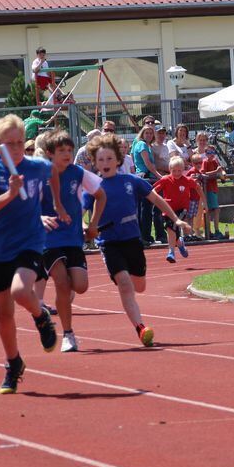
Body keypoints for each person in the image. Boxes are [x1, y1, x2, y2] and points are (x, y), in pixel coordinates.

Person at [0, 114, 62, 394]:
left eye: (19, 142)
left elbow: (52, 174)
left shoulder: (37, 167)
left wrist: (55, 206)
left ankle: (41, 317)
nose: (15, 149)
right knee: (3, 314)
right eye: (9, 144)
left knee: (20, 291)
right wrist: (10, 195)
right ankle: (13, 363)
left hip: (30, 242)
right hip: (1, 248)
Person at [87, 133, 191, 346]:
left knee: (139, 286)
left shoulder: (132, 181)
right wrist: (86, 229)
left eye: (109, 159)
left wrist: (175, 220)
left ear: (118, 160)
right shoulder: (93, 188)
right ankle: (140, 327)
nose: (105, 163)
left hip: (132, 241)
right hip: (109, 243)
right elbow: (77, 214)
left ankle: (133, 301)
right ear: (94, 163)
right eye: (100, 160)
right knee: (125, 284)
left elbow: (157, 199)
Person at [39, 130, 106, 353]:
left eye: (70, 150)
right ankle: (68, 334)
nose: (67, 154)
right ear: (50, 153)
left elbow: (100, 195)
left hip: (73, 236)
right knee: (60, 280)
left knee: (80, 285)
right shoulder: (41, 175)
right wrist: (39, 217)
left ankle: (63, 300)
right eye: (62, 151)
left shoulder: (78, 172)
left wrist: (93, 223)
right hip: (49, 238)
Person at [152, 156, 204, 263]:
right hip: (167, 209)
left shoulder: (186, 180)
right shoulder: (165, 180)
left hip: (182, 210)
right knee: (171, 229)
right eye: (174, 171)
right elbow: (153, 190)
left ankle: (171, 252)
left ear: (183, 169)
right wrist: (154, 199)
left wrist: (205, 202)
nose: (176, 173)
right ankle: (180, 244)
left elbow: (198, 187)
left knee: (171, 229)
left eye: (179, 171)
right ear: (170, 170)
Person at [131, 124, 161, 244]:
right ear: (142, 134)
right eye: (146, 133)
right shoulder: (142, 144)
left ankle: (147, 235)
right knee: (144, 208)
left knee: (148, 208)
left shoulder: (148, 146)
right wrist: (159, 176)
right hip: (144, 176)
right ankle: (143, 236)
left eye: (150, 133)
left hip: (149, 176)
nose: (149, 135)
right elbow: (148, 164)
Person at [195, 133, 225, 239]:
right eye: (209, 152)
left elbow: (221, 170)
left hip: (213, 188)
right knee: (209, 210)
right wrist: (216, 172)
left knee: (214, 210)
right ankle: (210, 231)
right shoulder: (203, 160)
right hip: (205, 188)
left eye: (212, 152)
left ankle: (213, 231)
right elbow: (203, 173)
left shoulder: (214, 160)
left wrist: (222, 175)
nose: (211, 154)